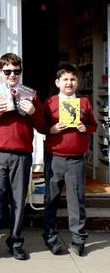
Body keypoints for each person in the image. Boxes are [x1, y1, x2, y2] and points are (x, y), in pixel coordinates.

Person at [0, 53, 44, 265]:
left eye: (16, 71)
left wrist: (32, 112)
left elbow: (42, 126)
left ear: (21, 72)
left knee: (17, 201)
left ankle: (15, 242)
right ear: (0, 72)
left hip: (22, 153)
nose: (12, 75)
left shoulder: (30, 94)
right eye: (7, 71)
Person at [42, 64, 97, 256]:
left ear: (77, 82)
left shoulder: (84, 102)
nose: (69, 83)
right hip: (55, 157)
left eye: (72, 79)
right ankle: (50, 237)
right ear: (57, 82)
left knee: (77, 201)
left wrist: (86, 128)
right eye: (65, 79)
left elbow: (94, 125)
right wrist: (51, 129)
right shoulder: (49, 102)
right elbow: (41, 126)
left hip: (76, 160)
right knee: (51, 199)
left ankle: (78, 239)